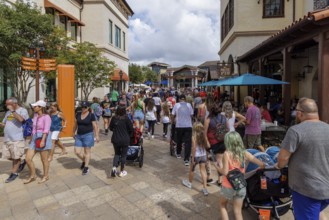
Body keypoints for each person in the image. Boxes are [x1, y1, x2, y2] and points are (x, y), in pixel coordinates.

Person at [276, 98, 329, 220]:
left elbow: (282, 159)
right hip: (326, 187)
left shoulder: (296, 130)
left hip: (307, 189)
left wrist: (279, 166)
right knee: (318, 213)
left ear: (300, 113)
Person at [216, 131, 265, 220]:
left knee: (222, 205)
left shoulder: (226, 154)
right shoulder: (244, 153)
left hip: (228, 186)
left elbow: (225, 172)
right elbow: (261, 164)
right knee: (238, 212)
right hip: (241, 185)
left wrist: (218, 167)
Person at [0, 97, 29, 183]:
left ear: (14, 103)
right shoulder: (8, 112)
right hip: (7, 138)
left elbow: (21, 120)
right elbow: (4, 124)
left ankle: (14, 173)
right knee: (9, 156)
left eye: (8, 104)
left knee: (16, 158)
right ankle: (22, 161)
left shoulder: (22, 110)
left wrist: (13, 111)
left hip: (17, 138)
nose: (6, 106)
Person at [24, 100, 52, 184]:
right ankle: (33, 175)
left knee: (44, 159)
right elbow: (33, 128)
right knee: (27, 159)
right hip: (35, 138)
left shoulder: (46, 117)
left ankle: (46, 176)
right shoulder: (35, 116)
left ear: (41, 107)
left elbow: (46, 130)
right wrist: (31, 139)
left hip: (43, 137)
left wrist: (43, 140)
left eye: (35, 106)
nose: (34, 107)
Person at [204, 102, 229, 185]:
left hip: (212, 143)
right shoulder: (224, 117)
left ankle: (209, 177)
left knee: (208, 160)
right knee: (219, 161)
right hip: (222, 142)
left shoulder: (208, 119)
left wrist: (207, 142)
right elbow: (228, 129)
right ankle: (220, 180)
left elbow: (204, 133)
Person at [182, 122, 209, 196]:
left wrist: (193, 159)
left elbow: (194, 148)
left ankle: (190, 183)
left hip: (196, 156)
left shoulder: (194, 137)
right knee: (203, 171)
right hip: (203, 155)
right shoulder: (204, 136)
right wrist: (206, 156)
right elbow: (207, 146)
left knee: (192, 169)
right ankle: (205, 188)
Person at [73, 101, 99, 175]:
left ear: (88, 108)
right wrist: (73, 132)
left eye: (85, 107)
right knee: (77, 152)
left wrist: (96, 135)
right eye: (82, 107)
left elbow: (95, 126)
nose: (83, 108)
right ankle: (84, 161)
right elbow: (75, 124)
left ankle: (86, 167)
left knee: (87, 151)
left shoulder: (91, 115)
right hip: (79, 135)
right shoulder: (78, 114)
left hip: (88, 135)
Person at [109, 106, 133, 177]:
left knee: (117, 154)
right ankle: (122, 171)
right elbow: (131, 129)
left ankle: (114, 167)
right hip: (125, 139)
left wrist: (116, 130)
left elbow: (110, 128)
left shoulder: (114, 118)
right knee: (123, 155)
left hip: (116, 138)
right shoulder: (126, 119)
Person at [171, 94, 193, 166]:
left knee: (179, 139)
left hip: (179, 125)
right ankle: (186, 159)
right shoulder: (189, 105)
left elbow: (172, 114)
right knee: (188, 142)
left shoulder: (176, 105)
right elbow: (191, 114)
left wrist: (173, 121)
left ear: (179, 99)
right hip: (188, 125)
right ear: (185, 99)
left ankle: (178, 153)